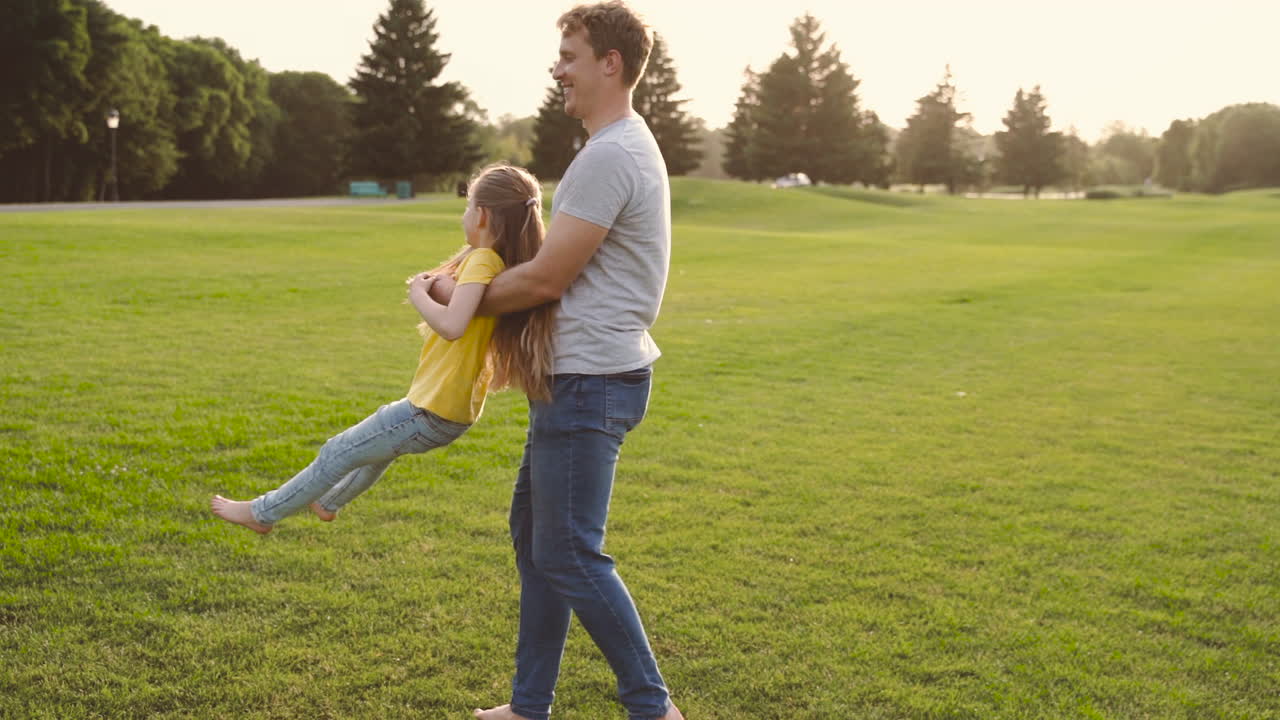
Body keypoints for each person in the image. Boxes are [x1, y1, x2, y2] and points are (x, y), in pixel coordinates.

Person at [453, 4, 684, 720]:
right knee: (538, 542)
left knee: (571, 553)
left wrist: (458, 297)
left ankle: (654, 708)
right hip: (583, 377)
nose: (558, 69)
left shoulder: (612, 154)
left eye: (570, 56)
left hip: (592, 381)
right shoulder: (616, 147)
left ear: (609, 64)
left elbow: (547, 279)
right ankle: (529, 706)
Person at [210, 164, 555, 534]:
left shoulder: (484, 260)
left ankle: (262, 514)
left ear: (483, 215)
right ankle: (328, 502)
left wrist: (418, 294)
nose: (464, 215)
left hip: (433, 410)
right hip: (443, 410)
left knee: (337, 452)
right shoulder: (493, 262)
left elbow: (453, 325)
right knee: (374, 452)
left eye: (467, 206)